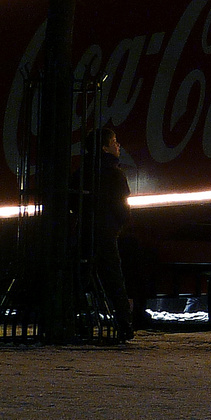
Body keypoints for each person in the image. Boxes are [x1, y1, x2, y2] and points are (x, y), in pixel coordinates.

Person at [88, 128, 133, 338]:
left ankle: (82, 320)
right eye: (114, 142)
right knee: (114, 280)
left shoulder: (83, 173)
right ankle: (124, 324)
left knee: (85, 276)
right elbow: (123, 208)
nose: (118, 146)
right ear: (105, 147)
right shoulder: (115, 174)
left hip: (86, 232)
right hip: (107, 232)